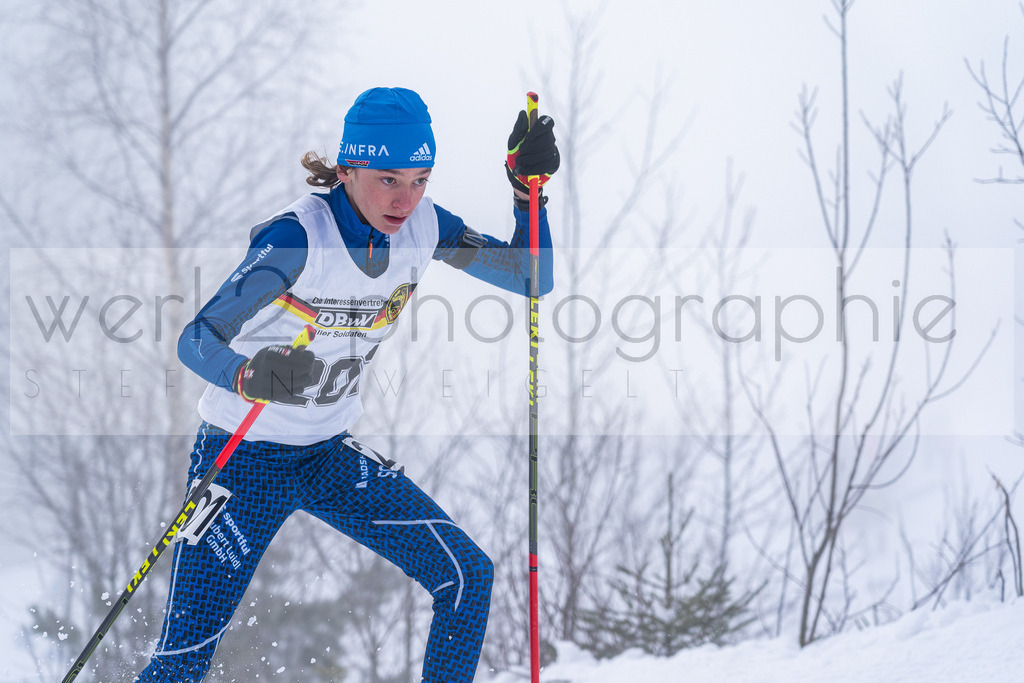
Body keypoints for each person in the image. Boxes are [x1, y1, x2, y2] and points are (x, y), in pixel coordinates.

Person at [134, 87, 558, 682]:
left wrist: (525, 197)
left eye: (420, 180)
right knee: (183, 659)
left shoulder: (425, 226)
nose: (406, 199)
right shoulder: (298, 238)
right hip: (241, 459)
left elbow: (532, 277)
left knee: (466, 576)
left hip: (327, 454)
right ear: (346, 169)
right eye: (388, 179)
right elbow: (197, 337)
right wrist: (247, 375)